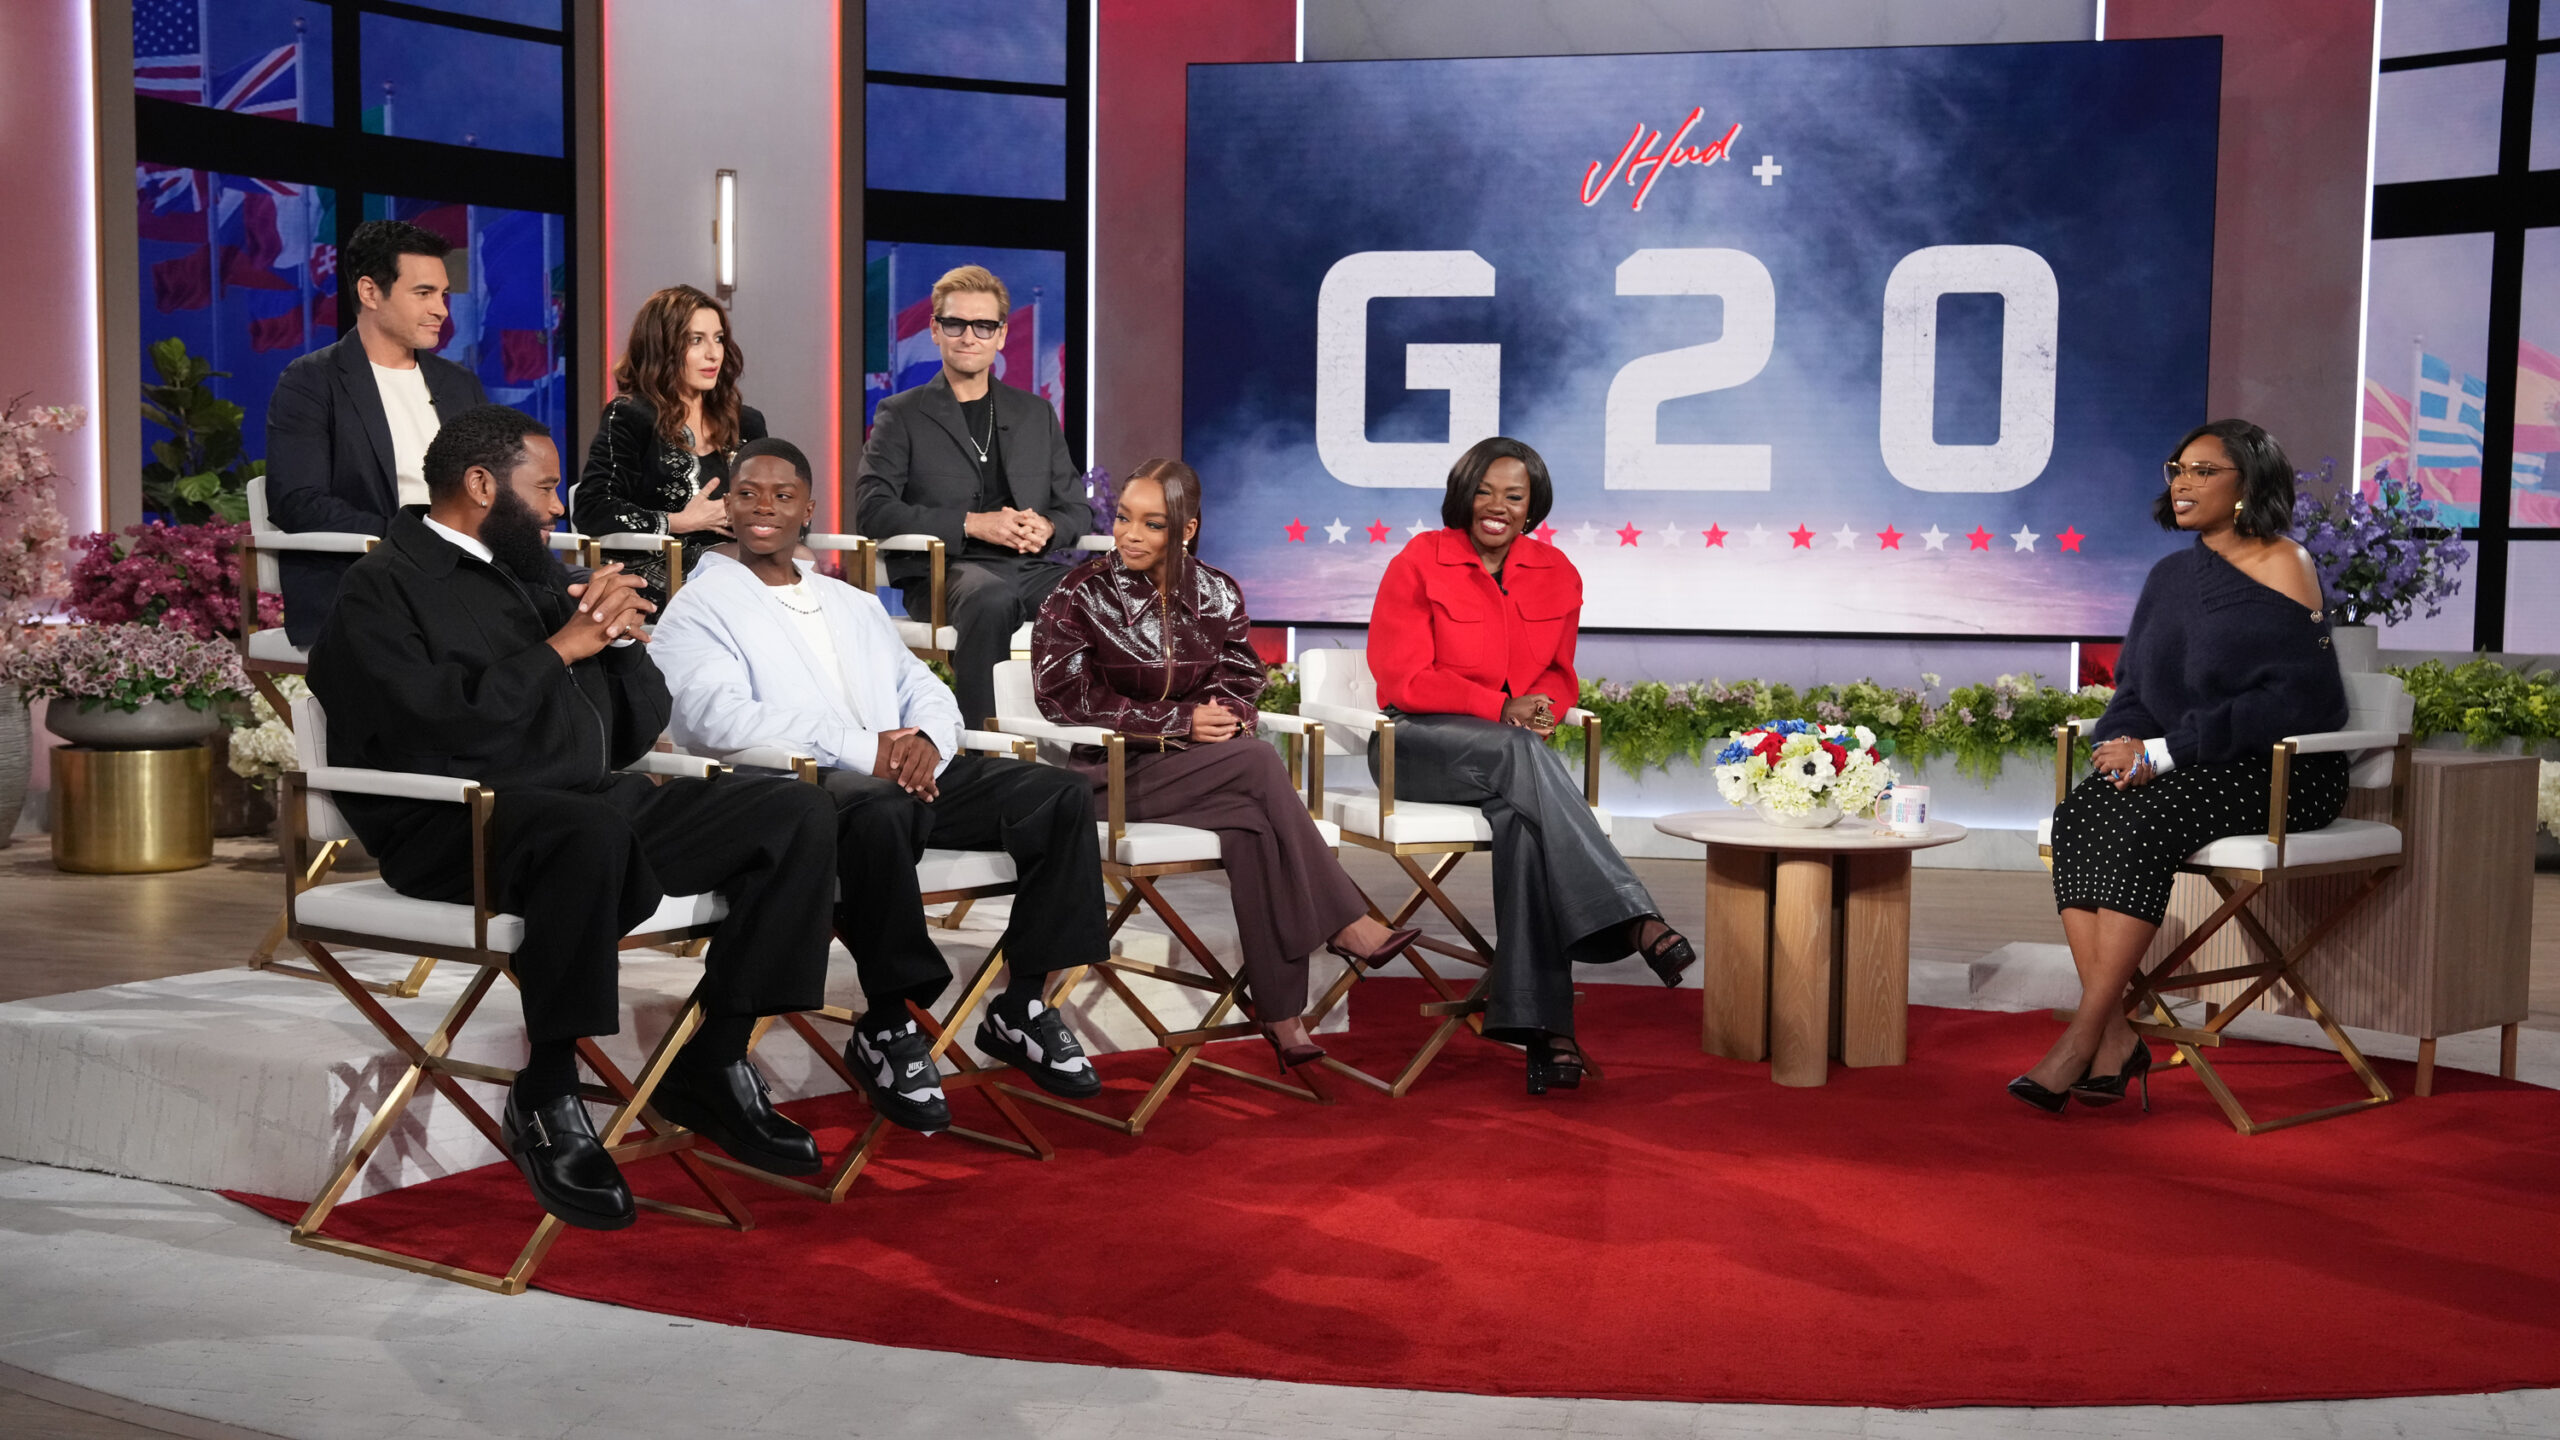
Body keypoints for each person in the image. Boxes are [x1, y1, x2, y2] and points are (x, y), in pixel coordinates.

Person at [306, 405, 839, 1230]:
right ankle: (548, 1092)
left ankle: (717, 1056)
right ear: (481, 485)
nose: (559, 507)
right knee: (586, 833)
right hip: (455, 825)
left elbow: (629, 733)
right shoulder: (381, 588)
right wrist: (560, 649)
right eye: (546, 488)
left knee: (795, 811)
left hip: (585, 806)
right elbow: (435, 730)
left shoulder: (534, 576)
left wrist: (619, 644)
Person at [649, 437, 1111, 1135]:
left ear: (808, 509)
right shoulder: (700, 605)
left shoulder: (849, 601)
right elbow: (713, 718)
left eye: (782, 495)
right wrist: (867, 750)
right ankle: (889, 1023)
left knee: (1057, 795)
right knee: (877, 806)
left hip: (902, 772)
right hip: (800, 787)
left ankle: (1022, 1004)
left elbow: (923, 687)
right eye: (747, 494)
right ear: (728, 508)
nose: (764, 507)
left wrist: (924, 742)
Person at [1031, 460, 1423, 1070]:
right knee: (1260, 762)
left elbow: (1241, 679)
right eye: (1124, 518)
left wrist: (1223, 716)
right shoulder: (1080, 593)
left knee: (1253, 826)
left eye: (1152, 523)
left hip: (1202, 772)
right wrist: (1178, 721)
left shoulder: (1217, 591)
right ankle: (1348, 924)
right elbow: (1061, 698)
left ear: (1186, 529)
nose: (1129, 534)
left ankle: (1282, 1015)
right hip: (1111, 777)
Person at [2017, 419, 2349, 1115]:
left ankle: (2081, 1038)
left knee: (2142, 824)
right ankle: (2115, 1036)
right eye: (2178, 469)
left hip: (2279, 771)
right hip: (2185, 764)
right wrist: (2124, 745)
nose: (2183, 483)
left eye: (2203, 471)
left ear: (2247, 484)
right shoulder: (2169, 577)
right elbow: (2135, 688)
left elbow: (2302, 701)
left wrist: (2165, 753)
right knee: (2080, 814)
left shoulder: (2286, 564)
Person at [1365, 436, 1696, 1095]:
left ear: (1531, 505)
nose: (1497, 506)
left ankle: (1546, 1031)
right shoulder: (1420, 560)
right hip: (1415, 747)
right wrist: (1500, 708)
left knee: (1524, 825)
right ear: (1463, 496)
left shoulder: (1557, 571)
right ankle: (1632, 917)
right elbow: (1403, 679)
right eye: (1484, 492)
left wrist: (1544, 707)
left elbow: (1558, 674)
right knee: (1521, 754)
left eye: (1513, 496)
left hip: (1507, 761)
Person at [855, 264, 1092, 728]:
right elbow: (873, 510)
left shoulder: (1036, 413)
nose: (969, 337)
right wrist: (971, 523)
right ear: (935, 330)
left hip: (1027, 568)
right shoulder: (901, 414)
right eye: (955, 324)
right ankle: (981, 746)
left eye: (983, 325)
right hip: (944, 574)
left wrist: (1048, 527)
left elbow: (1076, 509)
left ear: (1001, 335)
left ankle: (1093, 737)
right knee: (991, 598)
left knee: (1102, 595)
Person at [264, 219, 488, 645]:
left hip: (468, 574)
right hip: (368, 583)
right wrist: (418, 538)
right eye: (423, 293)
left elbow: (491, 485)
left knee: (585, 606)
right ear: (370, 292)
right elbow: (298, 502)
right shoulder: (311, 381)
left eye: (443, 294)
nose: (441, 310)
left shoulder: (460, 385)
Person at [577, 284, 769, 604]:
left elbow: (775, 496)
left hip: (738, 561)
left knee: (796, 559)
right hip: (660, 566)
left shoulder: (746, 421)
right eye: (696, 340)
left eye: (718, 338)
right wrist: (678, 521)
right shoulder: (630, 416)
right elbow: (592, 507)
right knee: (757, 572)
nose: (713, 353)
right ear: (662, 347)